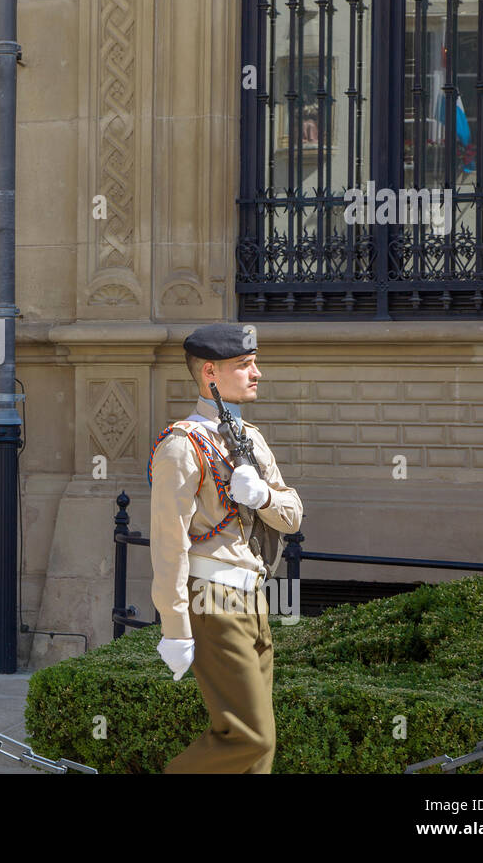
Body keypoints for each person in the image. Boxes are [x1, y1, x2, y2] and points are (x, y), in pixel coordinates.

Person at [147, 323, 302, 773]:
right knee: (249, 736)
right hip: (211, 597)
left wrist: (262, 496)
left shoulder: (249, 439)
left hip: (253, 599)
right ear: (210, 373)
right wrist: (175, 626)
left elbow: (292, 515)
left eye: (254, 363)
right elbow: (168, 543)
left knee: (261, 751)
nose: (258, 373)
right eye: (245, 365)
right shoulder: (181, 446)